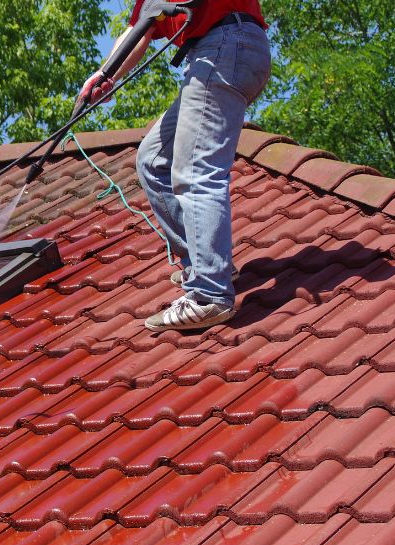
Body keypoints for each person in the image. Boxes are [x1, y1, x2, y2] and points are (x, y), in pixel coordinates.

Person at [79, 0, 271, 332]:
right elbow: (141, 28)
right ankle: (203, 262)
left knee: (197, 171)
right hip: (227, 50)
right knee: (153, 160)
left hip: (225, 45)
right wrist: (105, 74)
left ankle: (208, 293)